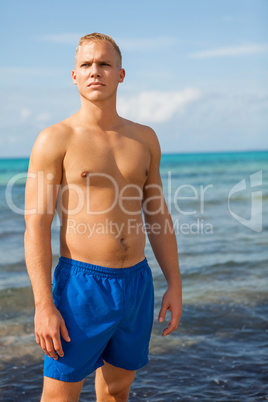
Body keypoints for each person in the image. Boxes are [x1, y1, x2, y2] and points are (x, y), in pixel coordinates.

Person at [24, 33, 182, 402]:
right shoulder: (55, 139)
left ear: (121, 74)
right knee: (60, 395)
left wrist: (174, 282)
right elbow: (36, 226)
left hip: (137, 282)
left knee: (116, 389)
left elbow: (157, 214)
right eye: (86, 64)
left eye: (104, 64)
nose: (96, 71)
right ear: (74, 76)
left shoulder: (145, 138)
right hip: (82, 286)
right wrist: (44, 305)